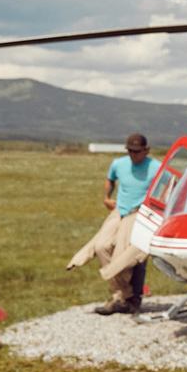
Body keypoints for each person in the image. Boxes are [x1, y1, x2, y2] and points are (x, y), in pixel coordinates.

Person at [67, 133, 154, 315]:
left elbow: (170, 186)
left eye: (137, 152)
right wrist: (107, 198)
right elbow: (110, 179)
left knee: (124, 256)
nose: (133, 155)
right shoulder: (118, 164)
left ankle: (126, 298)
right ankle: (122, 295)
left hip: (138, 214)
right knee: (101, 246)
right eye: (130, 151)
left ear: (146, 150)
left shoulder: (156, 167)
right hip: (119, 211)